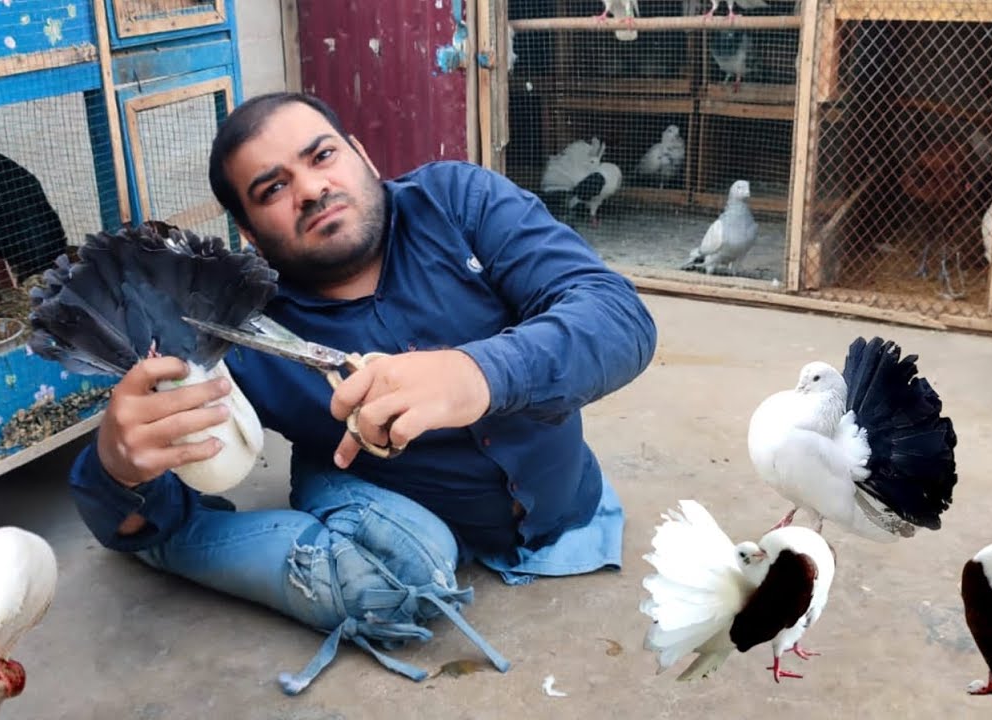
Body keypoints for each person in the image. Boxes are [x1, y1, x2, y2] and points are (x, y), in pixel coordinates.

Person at [67, 91, 658, 695]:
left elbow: (616, 316)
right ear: (249, 233)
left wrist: (476, 373)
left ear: (364, 157)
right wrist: (119, 468)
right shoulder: (243, 331)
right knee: (391, 580)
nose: (312, 189)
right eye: (273, 189)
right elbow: (145, 474)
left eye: (322, 156)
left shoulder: (460, 202)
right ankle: (189, 546)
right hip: (388, 507)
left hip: (570, 510)